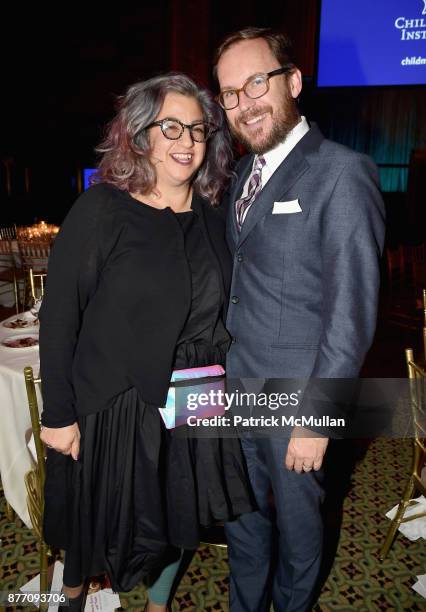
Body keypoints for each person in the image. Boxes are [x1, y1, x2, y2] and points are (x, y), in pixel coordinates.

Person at [39, 73, 253, 612]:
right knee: (97, 524)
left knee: (179, 513)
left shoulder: (212, 216)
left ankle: (159, 605)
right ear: (140, 136)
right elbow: (61, 316)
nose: (187, 142)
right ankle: (71, 599)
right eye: (171, 127)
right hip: (118, 401)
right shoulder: (103, 210)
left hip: (195, 395)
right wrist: (59, 414)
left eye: (199, 130)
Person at [213, 27, 385, 612]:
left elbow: (352, 313)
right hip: (234, 394)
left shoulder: (343, 172)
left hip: (294, 403)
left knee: (299, 536)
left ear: (292, 81)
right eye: (230, 93)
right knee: (243, 524)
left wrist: (316, 417)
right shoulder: (240, 176)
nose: (243, 103)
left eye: (256, 83)